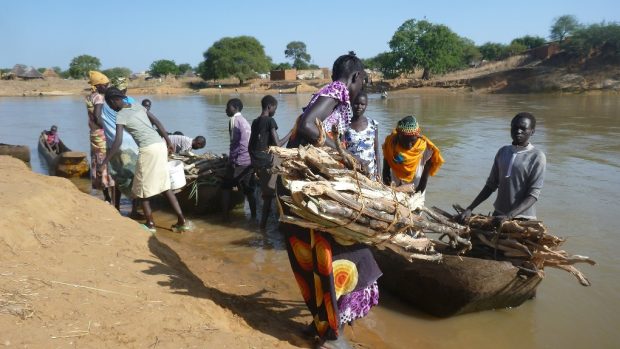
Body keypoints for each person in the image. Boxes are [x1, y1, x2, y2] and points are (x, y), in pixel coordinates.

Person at [279, 52, 379, 349]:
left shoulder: (330, 96)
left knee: (325, 258)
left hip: (304, 190)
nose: (364, 87)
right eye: (364, 81)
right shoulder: (336, 91)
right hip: (306, 193)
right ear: (356, 77)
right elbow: (308, 125)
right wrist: (343, 155)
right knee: (345, 257)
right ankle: (329, 333)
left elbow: (305, 128)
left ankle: (322, 326)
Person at [100, 87, 189, 233]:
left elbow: (118, 141)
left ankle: (150, 224)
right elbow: (157, 122)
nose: (111, 108)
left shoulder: (121, 115)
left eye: (110, 105)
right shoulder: (137, 106)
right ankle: (181, 221)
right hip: (160, 146)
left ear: (113, 100)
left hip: (148, 150)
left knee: (140, 188)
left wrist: (104, 163)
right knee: (165, 186)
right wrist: (168, 141)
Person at [456, 112, 546, 226]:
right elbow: (490, 185)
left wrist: (509, 216)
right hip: (498, 215)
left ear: (532, 131)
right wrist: (470, 208)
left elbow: (533, 195)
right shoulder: (503, 151)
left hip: (523, 219)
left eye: (523, 128)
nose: (518, 131)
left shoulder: (537, 156)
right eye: (515, 127)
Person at [248, 95, 291, 229]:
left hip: (257, 161)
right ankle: (263, 227)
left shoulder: (255, 122)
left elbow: (250, 145)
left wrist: (255, 166)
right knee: (269, 195)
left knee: (267, 193)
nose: (275, 111)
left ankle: (264, 226)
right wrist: (290, 133)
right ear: (269, 107)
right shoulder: (270, 121)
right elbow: (278, 144)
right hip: (266, 161)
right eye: (275, 108)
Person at [102, 78, 141, 216]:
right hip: (131, 145)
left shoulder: (104, 102)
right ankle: (134, 210)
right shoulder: (129, 102)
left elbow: (97, 120)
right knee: (134, 176)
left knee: (118, 177)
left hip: (114, 145)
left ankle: (116, 207)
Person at [382, 115, 444, 197]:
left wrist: (417, 195)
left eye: (412, 141)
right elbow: (386, 171)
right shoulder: (391, 144)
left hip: (416, 188)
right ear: (398, 135)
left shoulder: (426, 149)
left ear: (417, 136)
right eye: (405, 140)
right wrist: (389, 189)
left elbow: (424, 178)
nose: (409, 145)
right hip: (394, 189)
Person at [221, 98, 256, 220]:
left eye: (228, 107)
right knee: (249, 190)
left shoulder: (233, 120)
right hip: (248, 160)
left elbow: (234, 143)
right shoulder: (245, 121)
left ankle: (224, 217)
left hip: (239, 160)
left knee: (225, 187)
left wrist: (231, 161)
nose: (226, 110)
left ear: (235, 108)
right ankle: (254, 217)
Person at [85, 71, 114, 203]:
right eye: (105, 85)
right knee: (105, 160)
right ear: (98, 85)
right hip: (101, 134)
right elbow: (97, 117)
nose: (107, 87)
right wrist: (108, 128)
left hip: (93, 134)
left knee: (97, 160)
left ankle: (106, 196)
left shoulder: (90, 96)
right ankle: (110, 195)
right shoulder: (99, 98)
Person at [344, 91, 380, 180]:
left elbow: (376, 151)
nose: (359, 107)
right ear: (351, 104)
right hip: (352, 171)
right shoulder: (345, 125)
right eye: (356, 104)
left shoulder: (373, 124)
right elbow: (342, 149)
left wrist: (379, 172)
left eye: (362, 104)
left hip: (370, 172)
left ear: (366, 105)